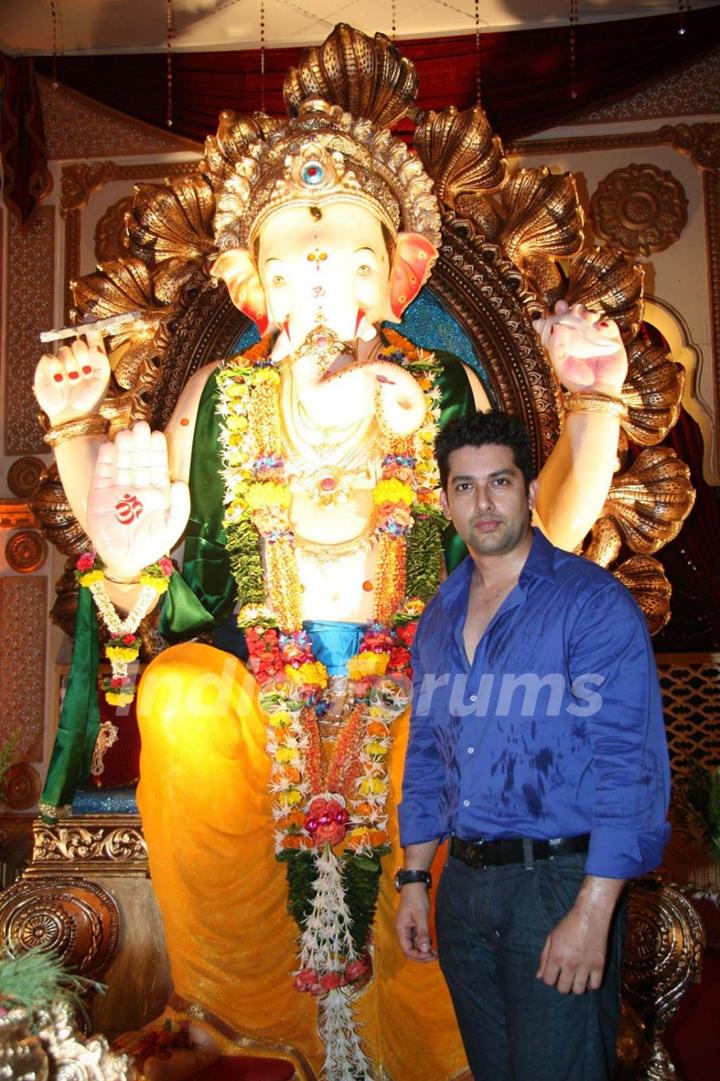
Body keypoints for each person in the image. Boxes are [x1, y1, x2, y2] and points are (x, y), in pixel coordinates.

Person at [33, 32, 641, 1081]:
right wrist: (77, 432)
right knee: (178, 697)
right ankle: (238, 1020)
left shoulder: (442, 386)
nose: (321, 272)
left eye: (347, 253)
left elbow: (539, 536)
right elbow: (136, 538)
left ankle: (441, 1034)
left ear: (393, 272)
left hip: (416, 668)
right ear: (255, 281)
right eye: (296, 257)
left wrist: (590, 403)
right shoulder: (218, 396)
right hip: (257, 674)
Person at [396, 410, 671, 1081]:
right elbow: (430, 756)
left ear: (528, 491)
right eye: (465, 486)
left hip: (557, 888)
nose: (483, 502)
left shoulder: (590, 603)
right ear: (444, 500)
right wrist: (412, 877)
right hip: (463, 891)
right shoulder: (438, 615)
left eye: (500, 482)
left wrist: (593, 910)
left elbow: (627, 766)